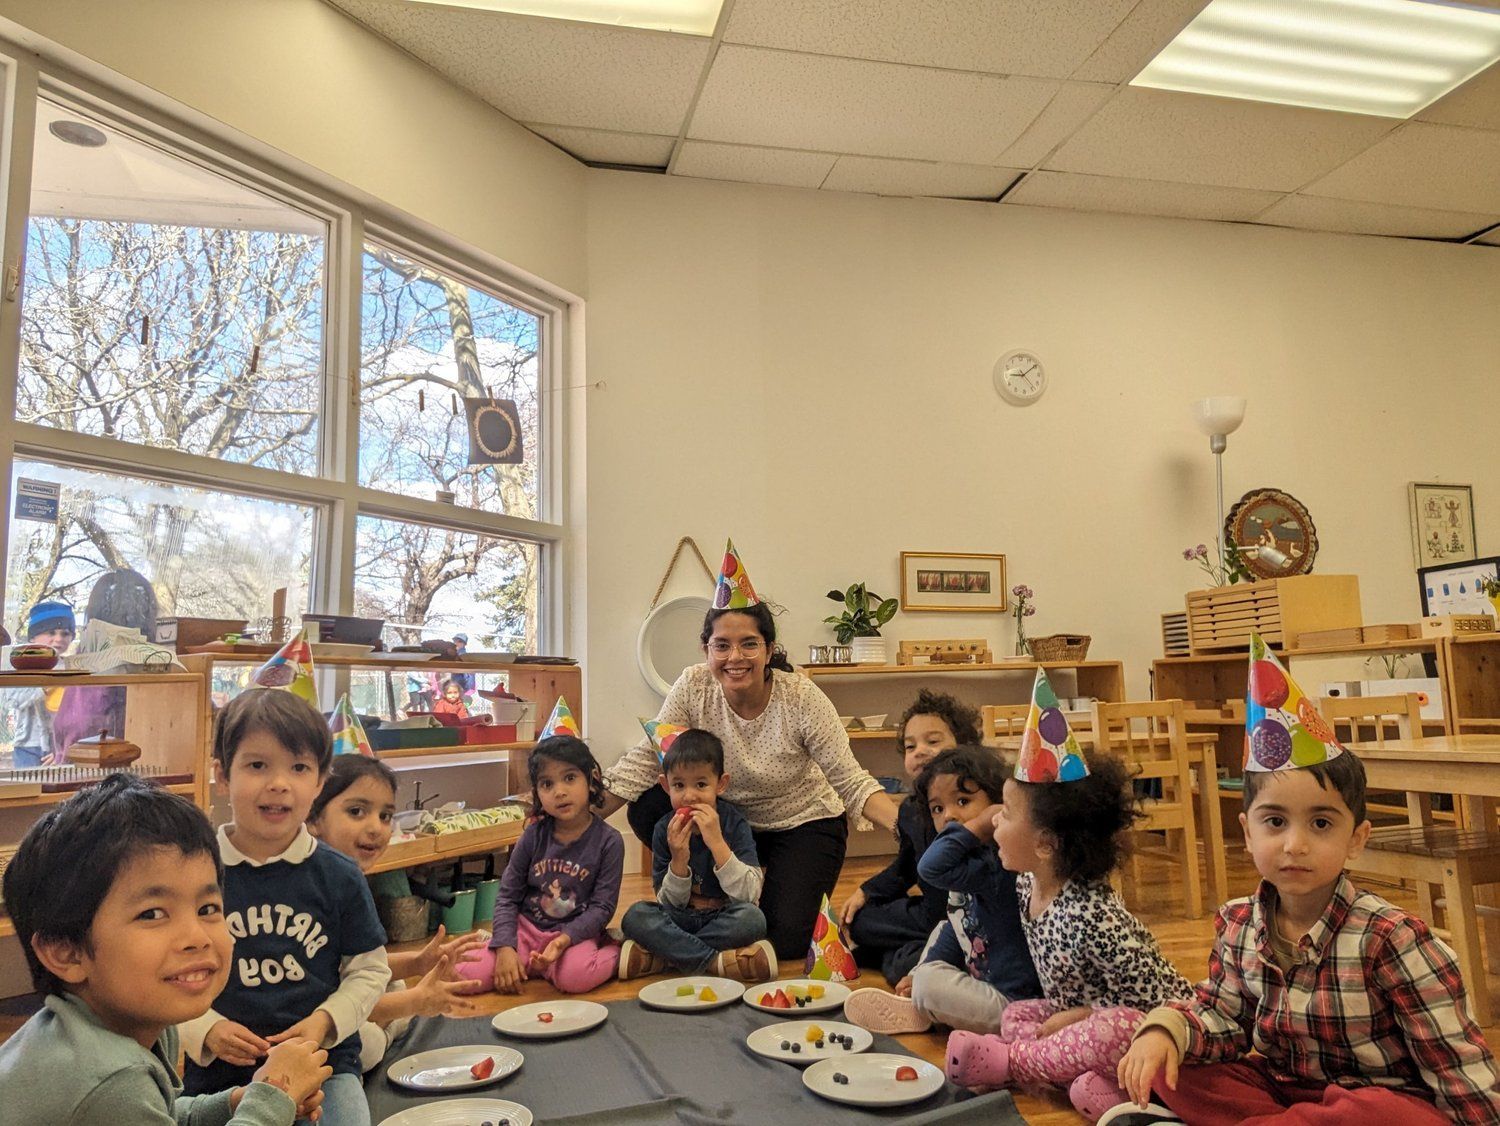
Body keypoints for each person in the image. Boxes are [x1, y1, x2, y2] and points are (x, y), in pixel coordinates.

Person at [1112, 646, 1500, 1126]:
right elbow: (1221, 1017)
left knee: (1371, 1113)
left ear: (1356, 840)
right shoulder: (1237, 923)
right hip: (1284, 1096)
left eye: (1320, 823)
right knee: (1176, 1071)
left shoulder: (1391, 938)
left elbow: (1455, 1064)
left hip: (1380, 1102)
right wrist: (1167, 1032)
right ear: (1248, 832)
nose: (1294, 844)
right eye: (1275, 821)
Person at [599, 541, 899, 958]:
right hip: (724, 820)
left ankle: (678, 942)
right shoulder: (693, 685)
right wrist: (579, 814)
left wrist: (911, 830)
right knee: (648, 803)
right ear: (706, 651)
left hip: (801, 823)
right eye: (721, 645)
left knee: (787, 941)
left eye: (748, 644)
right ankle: (700, 907)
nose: (734, 657)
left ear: (769, 650)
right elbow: (650, 757)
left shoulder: (802, 699)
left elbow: (850, 780)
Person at [0, 772, 332, 1126]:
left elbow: (160, 1114)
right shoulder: (108, 1080)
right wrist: (272, 1097)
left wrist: (239, 1101)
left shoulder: (113, 1031)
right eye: (153, 914)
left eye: (207, 909)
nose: (197, 937)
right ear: (66, 953)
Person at [179, 689, 391, 1126]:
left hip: (323, 1067)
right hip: (221, 1077)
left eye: (298, 768)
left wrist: (324, 1023)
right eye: (257, 765)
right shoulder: (192, 875)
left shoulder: (339, 875)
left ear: (319, 782)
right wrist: (206, 1030)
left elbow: (370, 970)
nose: (278, 783)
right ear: (222, 775)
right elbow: (167, 978)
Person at [945, 751, 1193, 1122]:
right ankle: (1110, 1092)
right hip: (1077, 1025)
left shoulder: (1094, 915)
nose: (995, 818)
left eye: (1008, 813)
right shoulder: (1027, 885)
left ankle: (1013, 1063)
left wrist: (1086, 1014)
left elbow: (1159, 1003)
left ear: (1046, 844)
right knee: (1016, 1014)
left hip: (1151, 1034)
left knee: (1111, 1031)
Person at [845, 747, 1042, 1035]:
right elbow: (956, 925)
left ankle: (925, 1003)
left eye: (963, 801)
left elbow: (931, 867)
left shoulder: (996, 863)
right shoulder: (974, 863)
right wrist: (923, 968)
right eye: (938, 809)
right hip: (985, 979)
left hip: (1014, 1005)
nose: (950, 815)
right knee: (945, 927)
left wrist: (980, 824)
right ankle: (921, 998)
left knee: (929, 986)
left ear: (996, 804)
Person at [307, 755, 483, 1072]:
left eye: (386, 815)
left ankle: (393, 1021)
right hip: (316, 1022)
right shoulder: (312, 890)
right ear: (313, 819)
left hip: (344, 1000)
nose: (375, 827)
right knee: (367, 1042)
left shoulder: (348, 882)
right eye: (356, 812)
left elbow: (353, 966)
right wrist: (417, 1001)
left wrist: (418, 962)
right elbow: (337, 998)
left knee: (391, 985)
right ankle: (391, 1031)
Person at [457, 735, 623, 993]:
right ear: (537, 792)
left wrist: (563, 942)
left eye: (570, 778)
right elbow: (507, 897)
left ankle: (617, 949)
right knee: (466, 976)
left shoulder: (609, 842)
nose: (559, 791)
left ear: (592, 780)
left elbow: (602, 907)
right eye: (547, 784)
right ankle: (536, 966)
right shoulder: (533, 835)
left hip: (573, 935)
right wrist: (504, 947)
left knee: (575, 978)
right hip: (527, 932)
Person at [841, 690, 977, 992]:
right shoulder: (910, 810)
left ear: (964, 746)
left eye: (933, 741)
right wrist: (867, 891)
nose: (919, 751)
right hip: (930, 912)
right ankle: (912, 957)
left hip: (971, 919)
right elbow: (906, 866)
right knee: (860, 920)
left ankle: (906, 959)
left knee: (905, 962)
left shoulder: (976, 803)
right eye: (910, 746)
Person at [617, 728, 775, 982]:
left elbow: (749, 895)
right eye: (679, 785)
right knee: (636, 916)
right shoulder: (663, 830)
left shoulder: (734, 823)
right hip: (680, 916)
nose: (689, 795)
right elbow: (669, 903)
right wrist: (679, 860)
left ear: (720, 784)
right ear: (665, 786)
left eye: (701, 784)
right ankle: (714, 962)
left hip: (723, 916)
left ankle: (665, 956)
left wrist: (718, 844)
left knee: (753, 920)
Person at [2, 600, 75, 766]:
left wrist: (62, 748)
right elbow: (10, 700)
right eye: (51, 632)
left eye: (65, 633)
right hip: (28, 745)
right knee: (27, 787)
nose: (58, 638)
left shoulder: (72, 667)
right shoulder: (20, 664)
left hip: (61, 746)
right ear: (33, 636)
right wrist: (44, 686)